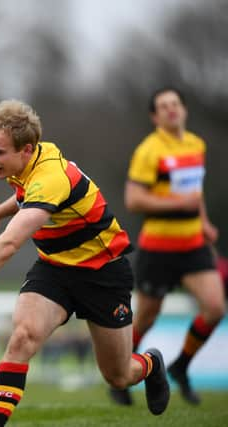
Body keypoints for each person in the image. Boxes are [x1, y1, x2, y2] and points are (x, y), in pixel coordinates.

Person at [0, 100, 170, 427]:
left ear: (26, 150)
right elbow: (23, 195)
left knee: (118, 376)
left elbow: (10, 244)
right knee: (22, 338)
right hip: (55, 270)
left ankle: (152, 365)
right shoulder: (29, 163)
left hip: (103, 272)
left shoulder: (50, 178)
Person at [110, 87, 225, 406]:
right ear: (154, 116)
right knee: (146, 316)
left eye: (175, 104)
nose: (171, 110)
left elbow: (195, 192)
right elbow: (134, 199)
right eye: (163, 106)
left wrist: (203, 223)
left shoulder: (196, 145)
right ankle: (119, 373)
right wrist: (178, 203)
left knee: (215, 308)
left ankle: (181, 365)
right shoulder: (149, 151)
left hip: (193, 245)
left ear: (184, 110)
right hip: (159, 248)